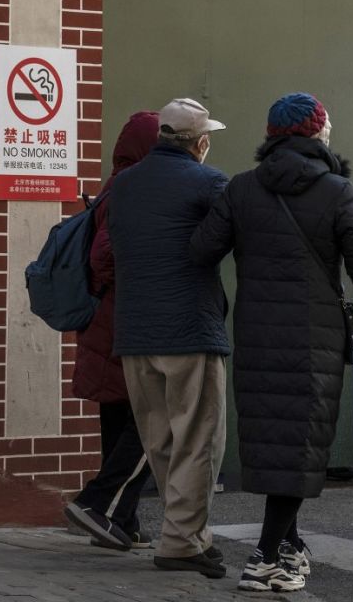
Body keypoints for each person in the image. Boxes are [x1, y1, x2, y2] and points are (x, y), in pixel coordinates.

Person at [191, 93, 353, 593]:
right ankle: (266, 557)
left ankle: (288, 544)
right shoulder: (337, 192)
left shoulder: (241, 190)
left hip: (258, 335)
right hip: (315, 340)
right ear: (316, 134)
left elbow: (200, 250)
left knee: (276, 442)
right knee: (300, 443)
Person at [109, 98, 230, 578]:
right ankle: (182, 542)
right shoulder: (210, 181)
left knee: (159, 439)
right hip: (189, 329)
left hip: (135, 333)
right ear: (200, 143)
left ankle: (190, 534)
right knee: (198, 439)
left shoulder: (124, 184)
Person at [64, 111, 158, 552]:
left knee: (120, 423)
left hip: (107, 326)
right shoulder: (130, 189)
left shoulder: (113, 186)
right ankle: (98, 505)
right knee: (152, 423)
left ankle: (123, 522)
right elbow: (104, 258)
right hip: (124, 323)